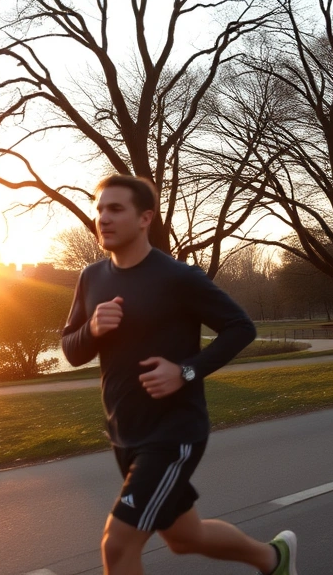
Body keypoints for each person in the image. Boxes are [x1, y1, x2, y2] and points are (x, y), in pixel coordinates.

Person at [61, 174, 298, 575]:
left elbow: (241, 328)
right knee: (185, 537)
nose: (103, 217)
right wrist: (93, 329)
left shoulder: (177, 277)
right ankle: (275, 559)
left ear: (144, 218)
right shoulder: (91, 278)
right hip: (125, 431)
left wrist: (186, 371)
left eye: (116, 208)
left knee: (117, 546)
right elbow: (71, 348)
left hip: (173, 433)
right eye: (100, 208)